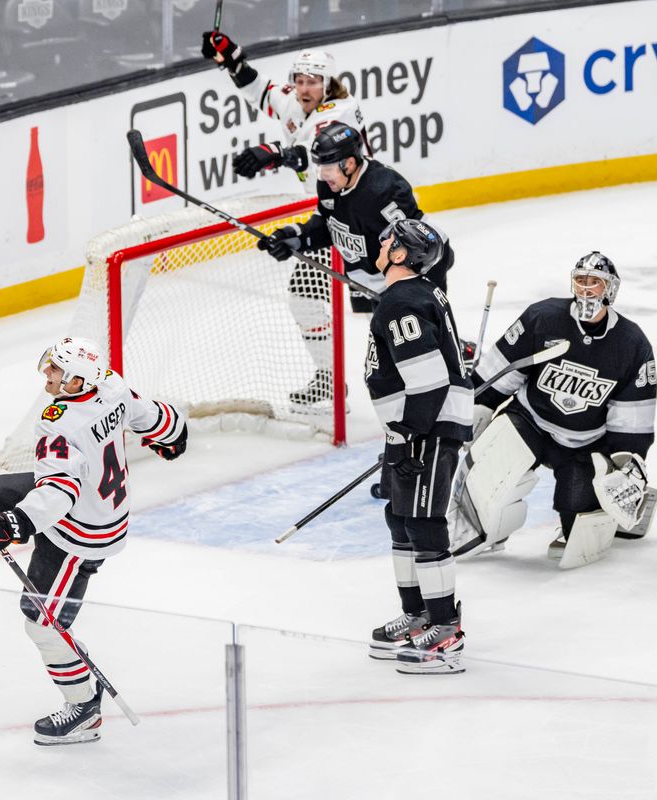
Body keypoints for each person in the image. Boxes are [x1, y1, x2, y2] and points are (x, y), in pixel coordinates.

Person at [0, 337, 188, 746]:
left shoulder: (58, 420)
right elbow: (155, 417)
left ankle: (83, 708)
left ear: (78, 379)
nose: (46, 374)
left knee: (42, 624)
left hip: (82, 533)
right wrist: (173, 435)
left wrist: (14, 523)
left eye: (55, 371)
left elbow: (61, 491)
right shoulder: (112, 385)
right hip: (82, 500)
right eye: (49, 364)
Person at [450, 252, 657, 567]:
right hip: (530, 422)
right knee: (489, 472)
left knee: (579, 530)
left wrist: (625, 464)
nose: (587, 290)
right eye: (581, 281)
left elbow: (632, 419)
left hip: (585, 444)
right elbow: (502, 369)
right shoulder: (543, 318)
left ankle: (614, 509)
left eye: (595, 283)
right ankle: (483, 528)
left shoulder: (631, 343)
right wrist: (480, 404)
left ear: (610, 289)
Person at [258, 121, 459, 415]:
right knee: (390, 365)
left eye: (328, 166)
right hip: (367, 282)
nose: (322, 174)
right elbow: (329, 226)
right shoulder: (330, 184)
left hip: (397, 288)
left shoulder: (383, 190)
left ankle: (447, 391)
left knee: (411, 361)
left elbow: (428, 244)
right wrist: (296, 237)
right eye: (320, 167)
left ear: (349, 163)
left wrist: (423, 299)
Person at [364, 219, 472, 675]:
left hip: (426, 428)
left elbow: (429, 381)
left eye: (388, 239)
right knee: (400, 518)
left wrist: (404, 437)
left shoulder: (401, 302)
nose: (380, 240)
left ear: (402, 255)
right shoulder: (416, 294)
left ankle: (446, 629)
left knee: (424, 524)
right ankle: (417, 616)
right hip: (416, 427)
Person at [200, 30, 364, 191]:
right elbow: (260, 90)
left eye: (312, 82)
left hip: (356, 199)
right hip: (324, 197)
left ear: (327, 84)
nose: (304, 90)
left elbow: (317, 154)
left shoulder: (341, 112)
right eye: (299, 81)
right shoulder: (294, 100)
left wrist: (277, 154)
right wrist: (231, 58)